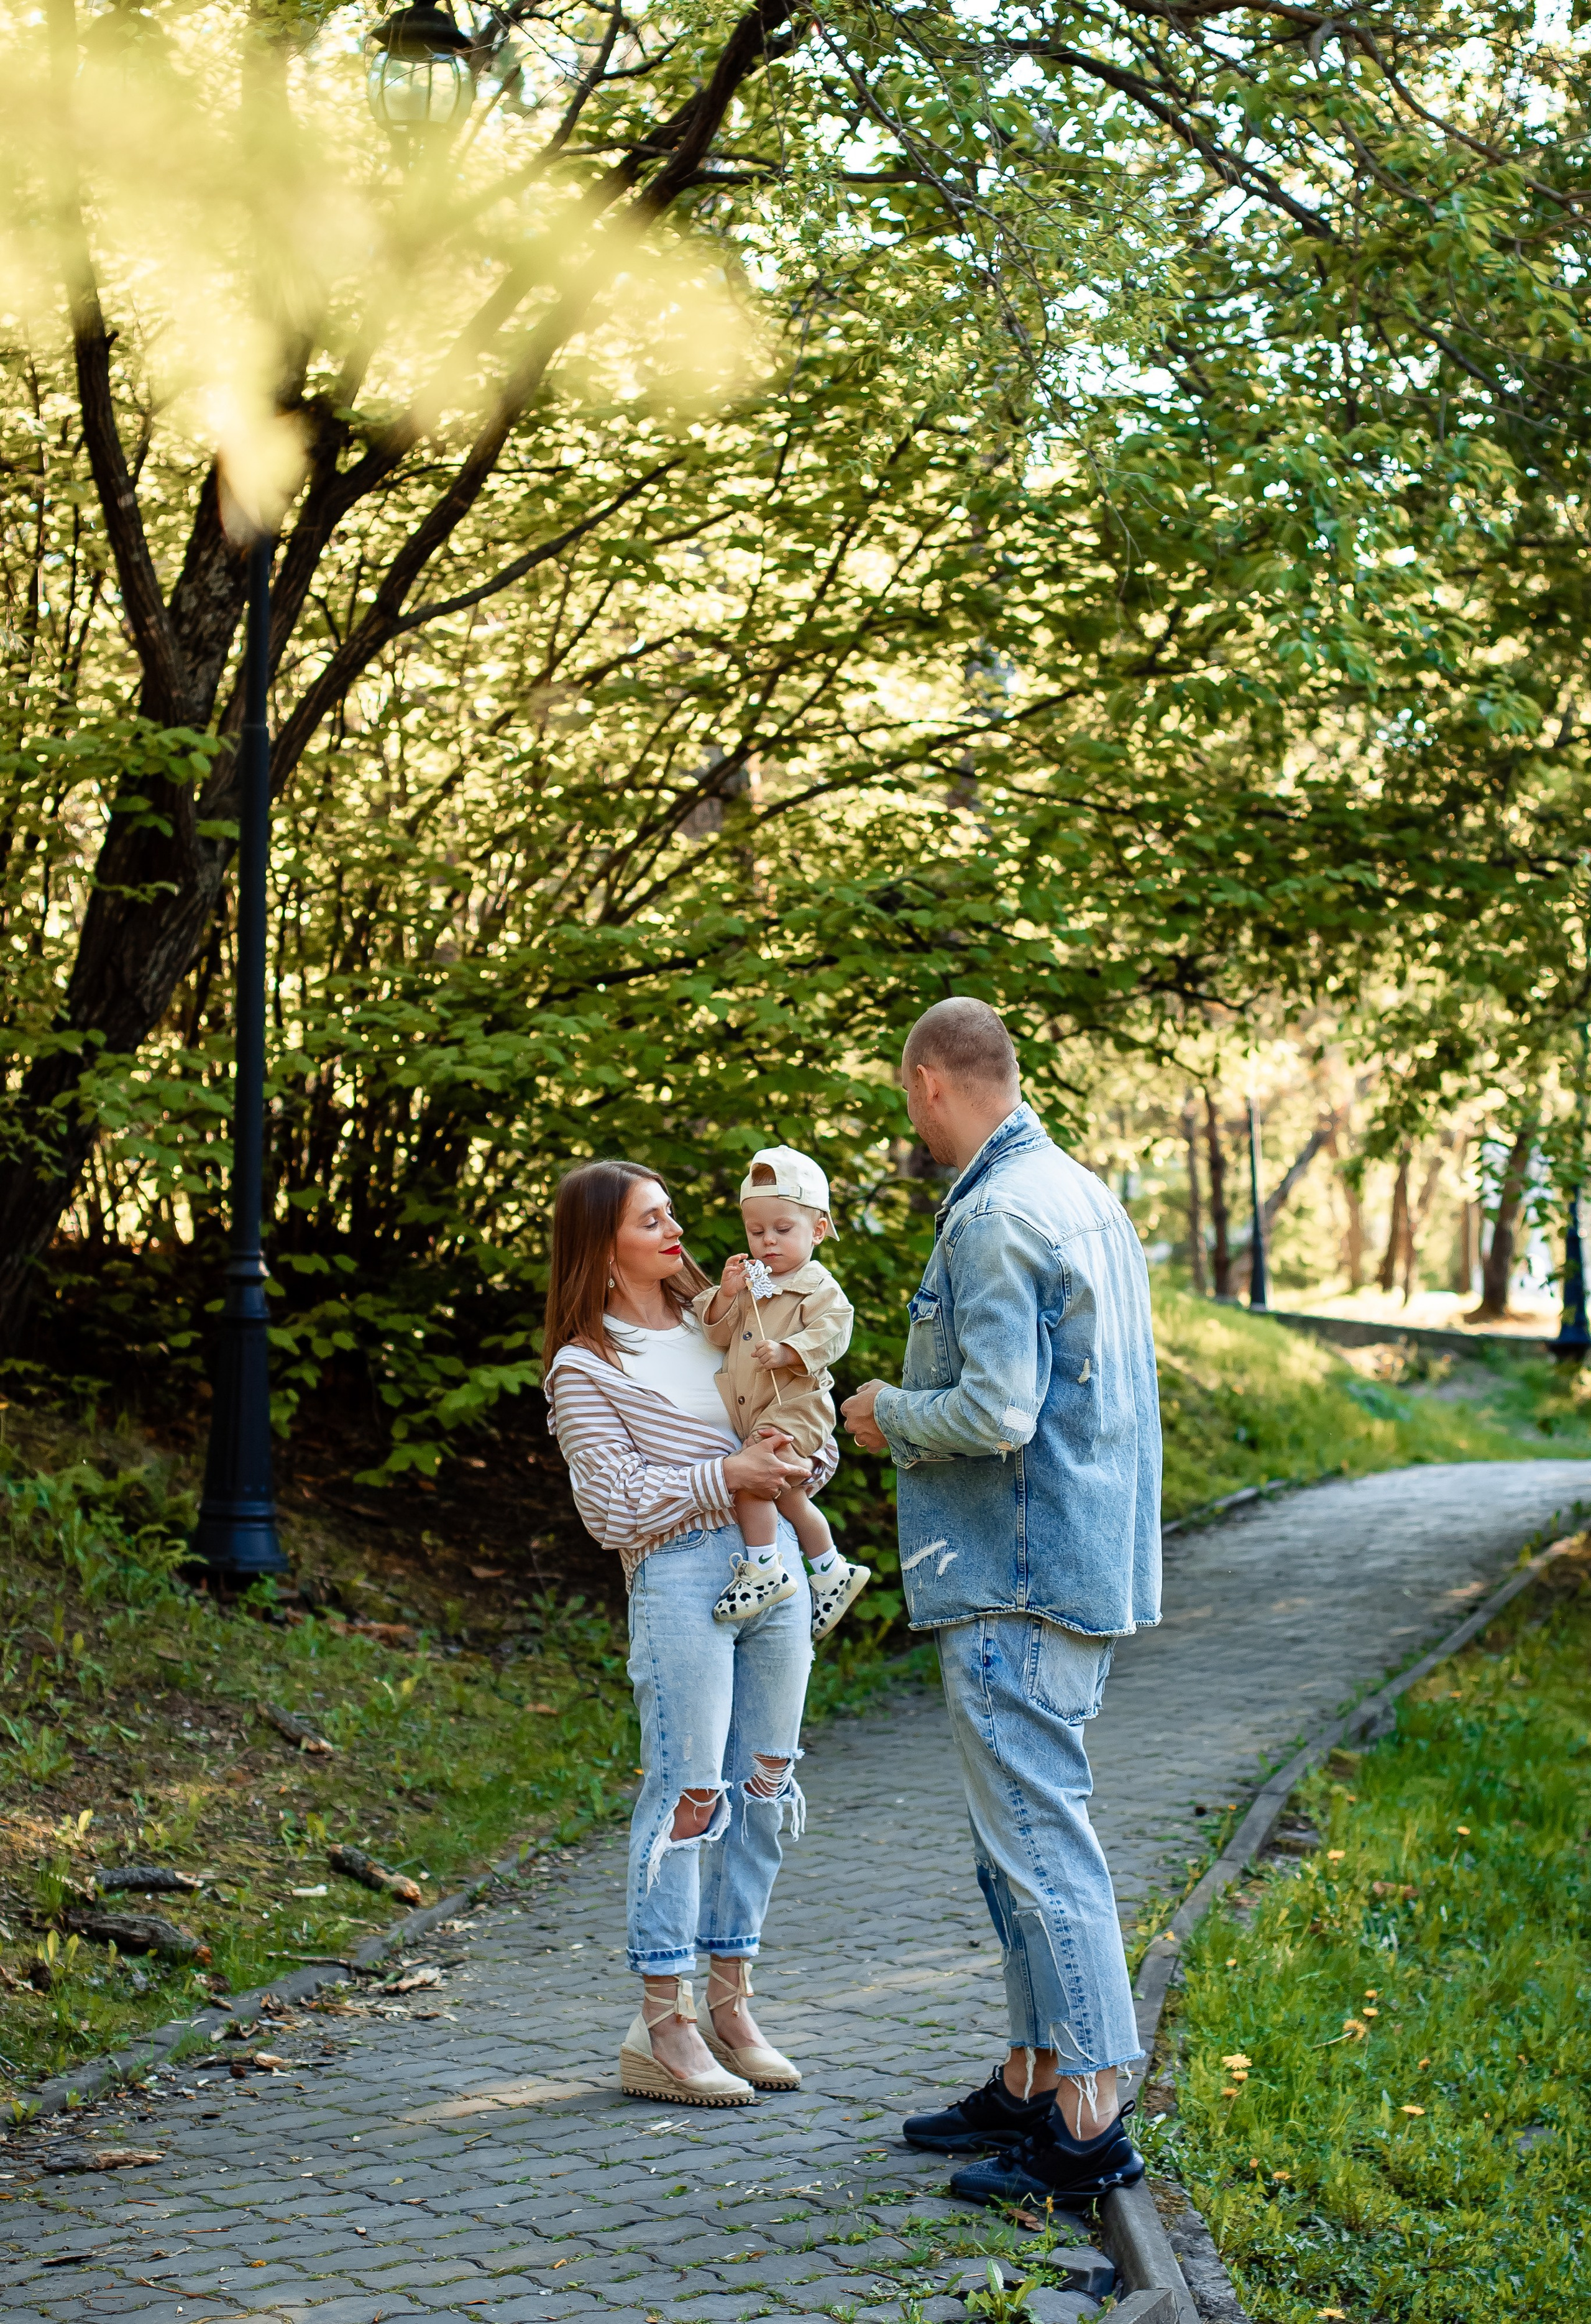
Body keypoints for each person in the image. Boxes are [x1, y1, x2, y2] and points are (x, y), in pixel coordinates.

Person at [841, 998, 1162, 2208]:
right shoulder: (1079, 1192)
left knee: (1039, 1845)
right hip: (1075, 1566)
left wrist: (884, 1414)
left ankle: (1088, 2120)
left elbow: (995, 1411)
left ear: (929, 1080)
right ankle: (1034, 2077)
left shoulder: (994, 1215)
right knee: (1013, 1847)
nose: (910, 1117)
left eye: (904, 1095)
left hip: (1013, 1576)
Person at [543, 1158, 822, 2106]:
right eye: (650, 1219)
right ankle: (664, 2019)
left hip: (774, 1564)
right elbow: (611, 1506)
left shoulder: (727, 1319)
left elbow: (792, 1423)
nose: (675, 1230)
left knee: (765, 1783)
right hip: (679, 1574)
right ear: (601, 1246)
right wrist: (728, 1475)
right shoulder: (586, 1365)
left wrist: (795, 1456)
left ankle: (733, 2004)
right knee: (691, 1792)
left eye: (671, 1214)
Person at [694, 1143, 872, 1640]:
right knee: (790, 1497)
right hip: (756, 1408)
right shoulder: (752, 1282)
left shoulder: (819, 1288)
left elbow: (834, 1331)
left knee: (753, 1476)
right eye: (756, 1231)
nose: (768, 1240)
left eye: (783, 1228)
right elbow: (716, 1333)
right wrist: (726, 1294)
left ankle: (764, 1568)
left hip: (797, 1407)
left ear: (817, 1230)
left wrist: (789, 1350)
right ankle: (832, 1570)